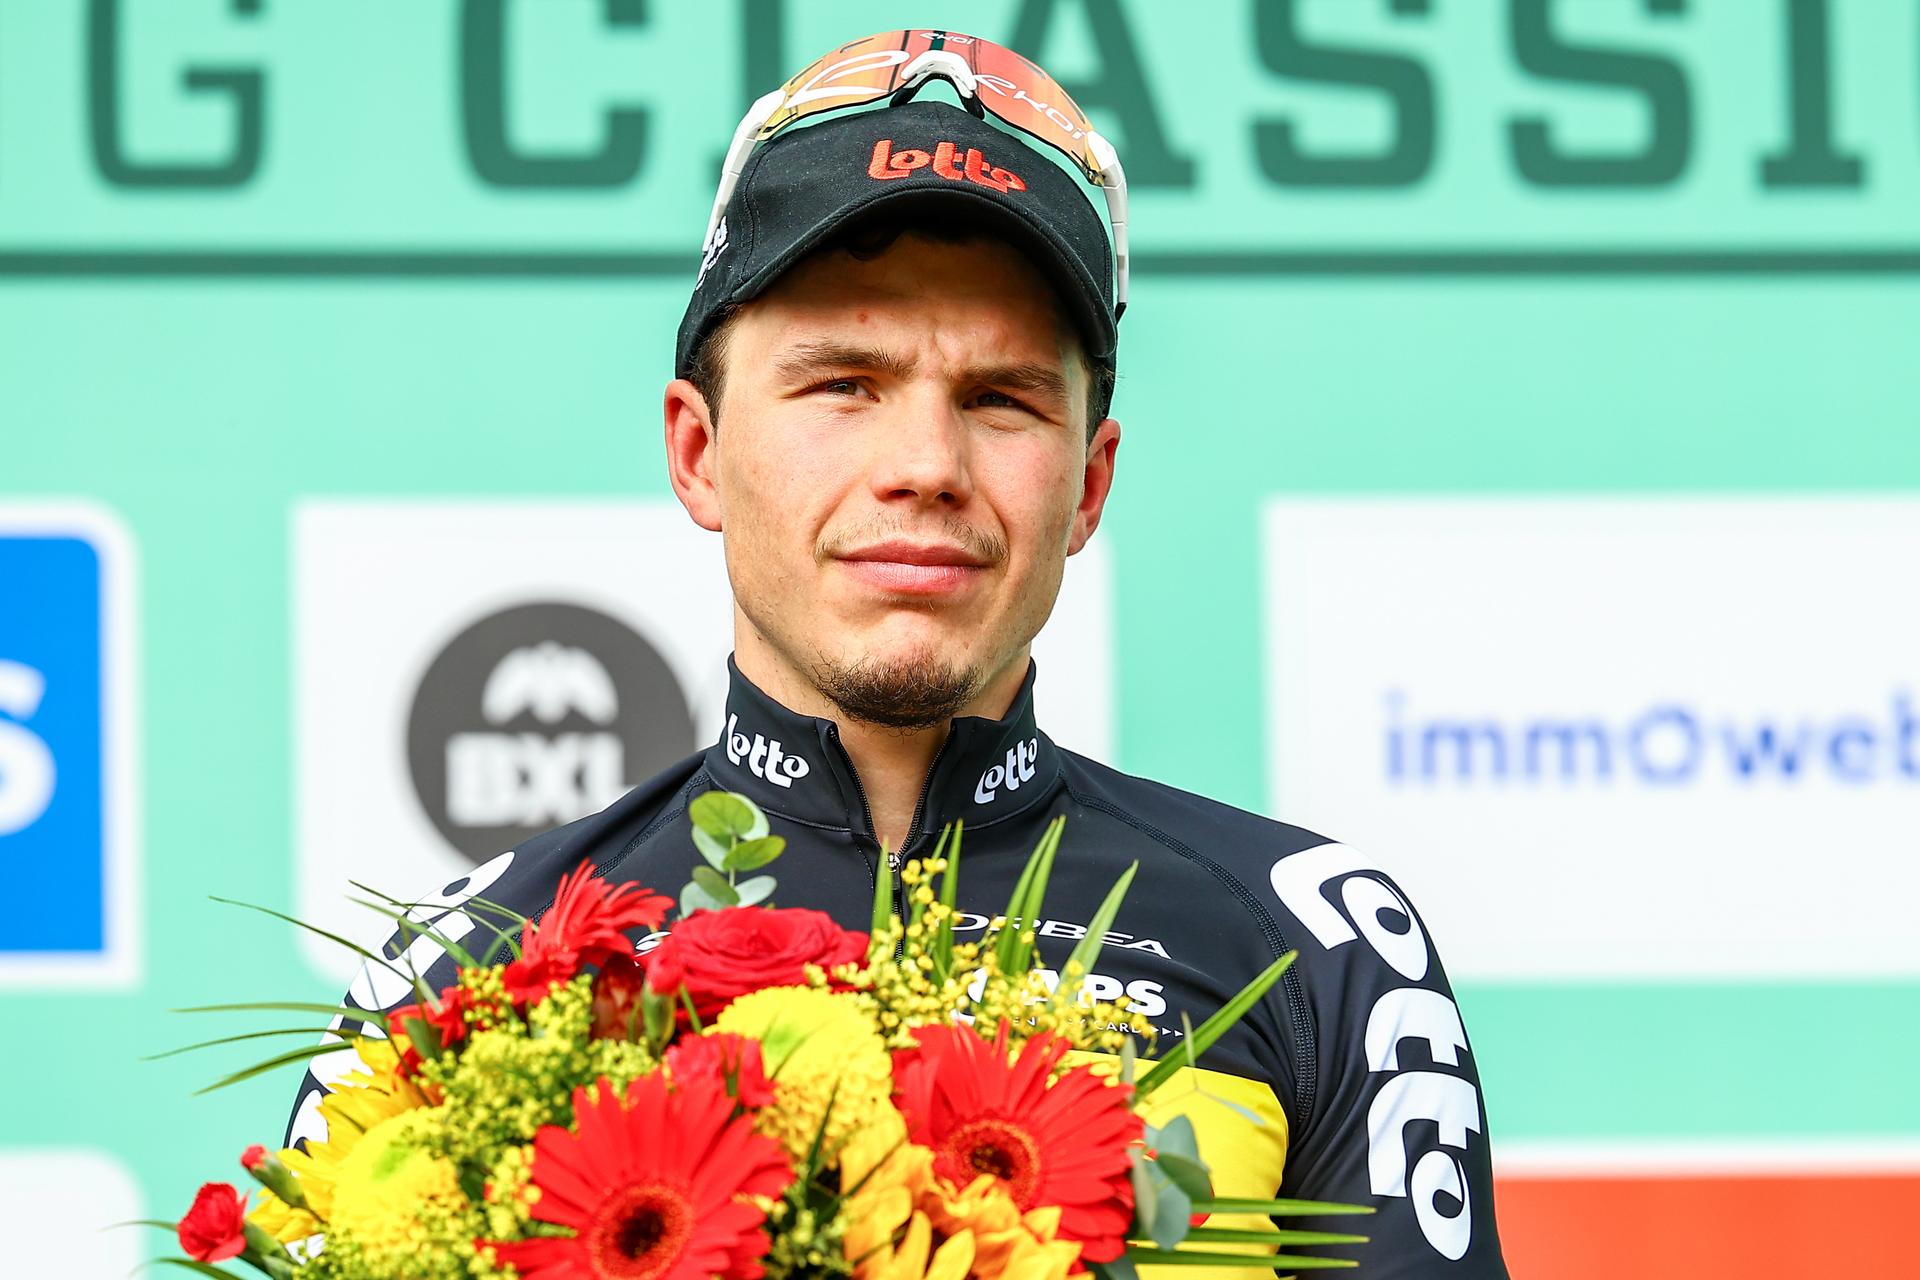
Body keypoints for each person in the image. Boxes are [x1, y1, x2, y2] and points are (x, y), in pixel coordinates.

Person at [286, 30, 1507, 1277]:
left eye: (1001, 398)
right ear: (698, 452)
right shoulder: (475, 959)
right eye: (844, 383)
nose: (924, 463)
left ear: (1089, 484)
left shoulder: (1319, 945)